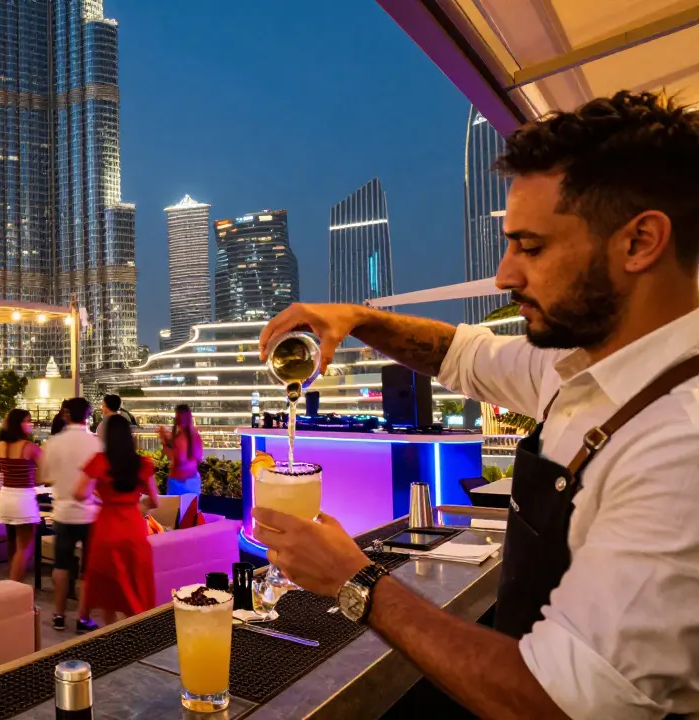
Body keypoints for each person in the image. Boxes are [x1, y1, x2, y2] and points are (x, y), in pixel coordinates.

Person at [253, 91, 699, 719]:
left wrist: (356, 582)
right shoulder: (582, 367)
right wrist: (354, 318)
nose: (504, 275)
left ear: (641, 241)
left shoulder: (680, 442)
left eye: (532, 246)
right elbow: (460, 353)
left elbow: (560, 704)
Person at [76, 414, 157, 627]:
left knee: (108, 588)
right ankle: (132, 630)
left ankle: (109, 631)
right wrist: (138, 504)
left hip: (107, 528)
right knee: (133, 583)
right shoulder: (141, 464)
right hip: (133, 529)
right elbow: (155, 501)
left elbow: (79, 493)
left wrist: (100, 498)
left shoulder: (99, 462)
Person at [39, 397, 102, 633]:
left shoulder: (54, 443)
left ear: (66, 415)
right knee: (86, 569)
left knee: (61, 565)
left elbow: (43, 476)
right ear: (88, 415)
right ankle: (83, 618)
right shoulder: (95, 443)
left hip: (62, 512)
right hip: (90, 513)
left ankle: (58, 614)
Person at [0, 409, 42, 584]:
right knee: (26, 547)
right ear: (18, 424)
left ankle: (11, 582)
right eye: (27, 421)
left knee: (12, 542)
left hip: (5, 496)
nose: (31, 424)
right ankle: (14, 588)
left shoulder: (0, 446)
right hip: (23, 499)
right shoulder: (30, 448)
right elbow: (45, 474)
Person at [157, 404, 203, 495]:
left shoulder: (181, 438)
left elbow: (178, 459)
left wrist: (164, 442)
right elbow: (198, 458)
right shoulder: (195, 436)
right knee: (190, 509)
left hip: (177, 482)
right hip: (193, 481)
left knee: (175, 509)